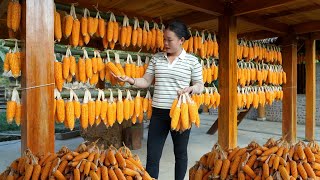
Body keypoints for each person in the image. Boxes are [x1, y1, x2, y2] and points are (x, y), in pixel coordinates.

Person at [115, 20, 204, 180]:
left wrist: (192, 89)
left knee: (180, 154)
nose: (165, 43)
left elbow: (200, 85)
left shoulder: (192, 61)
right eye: (164, 39)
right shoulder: (157, 59)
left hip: (181, 114)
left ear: (181, 40)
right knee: (153, 156)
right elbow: (146, 81)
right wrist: (129, 79)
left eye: (169, 40)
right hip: (159, 114)